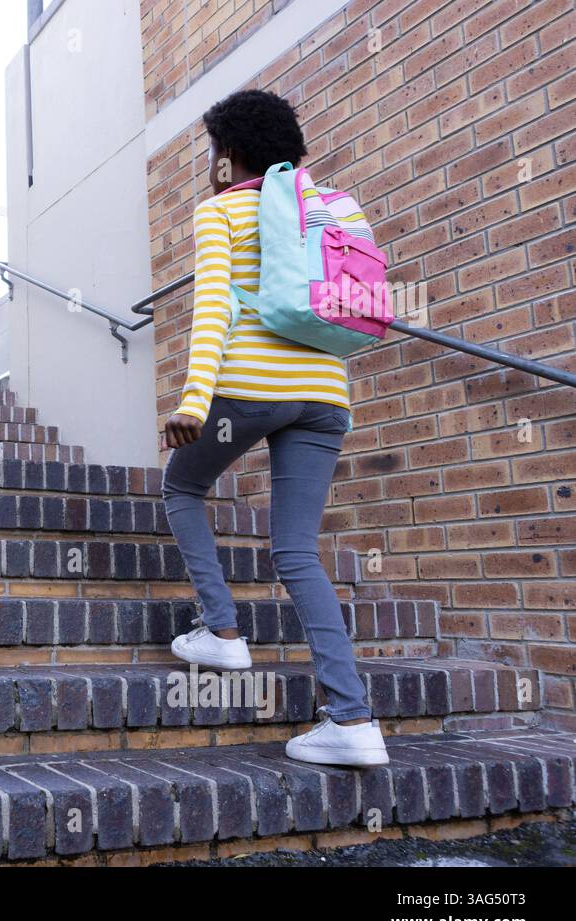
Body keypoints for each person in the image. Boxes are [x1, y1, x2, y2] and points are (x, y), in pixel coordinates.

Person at [161, 89, 388, 768]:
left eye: (211, 152)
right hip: (325, 397)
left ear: (228, 158)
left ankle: (223, 629)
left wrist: (195, 401)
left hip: (251, 392)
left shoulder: (222, 209)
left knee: (181, 488)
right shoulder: (335, 207)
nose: (209, 164)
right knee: (296, 550)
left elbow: (215, 313)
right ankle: (351, 720)